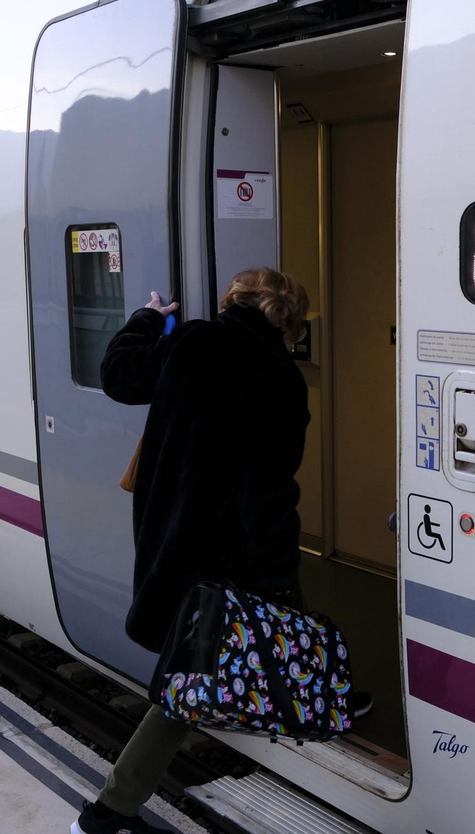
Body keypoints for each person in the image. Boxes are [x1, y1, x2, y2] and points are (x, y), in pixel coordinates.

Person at [73, 268, 313, 834]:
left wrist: (149, 318)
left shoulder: (191, 340)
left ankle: (113, 812)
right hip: (230, 561)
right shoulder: (282, 377)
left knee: (194, 674)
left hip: (172, 545)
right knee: (190, 683)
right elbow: (270, 493)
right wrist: (281, 579)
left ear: (235, 301)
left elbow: (118, 374)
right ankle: (108, 815)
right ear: (290, 323)